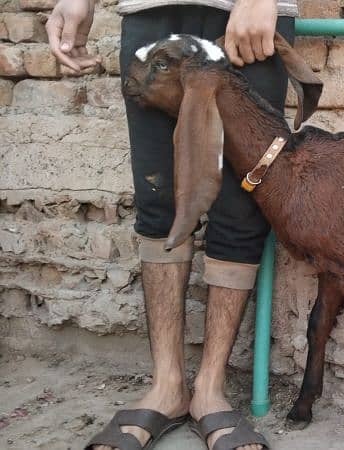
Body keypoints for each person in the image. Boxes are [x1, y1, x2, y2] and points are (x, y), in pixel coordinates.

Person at [46, 0, 297, 448]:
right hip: (150, 10)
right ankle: (167, 387)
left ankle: (210, 391)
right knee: (157, 202)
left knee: (240, 210)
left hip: (247, 16)